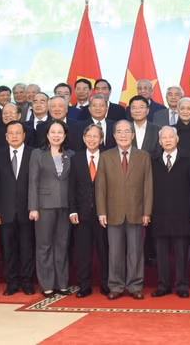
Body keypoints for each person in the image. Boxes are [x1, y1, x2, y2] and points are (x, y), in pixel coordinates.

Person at [96, 120, 154, 300]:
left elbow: (148, 186)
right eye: (119, 132)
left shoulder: (143, 156)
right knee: (115, 252)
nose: (123, 135)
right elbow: (100, 187)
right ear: (113, 136)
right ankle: (116, 286)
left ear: (132, 135)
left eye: (126, 131)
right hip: (112, 212)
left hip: (137, 212)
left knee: (136, 251)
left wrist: (147, 212)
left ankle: (135, 285)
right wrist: (101, 211)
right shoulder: (105, 157)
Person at [28, 119, 75, 297]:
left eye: (60, 132)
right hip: (43, 206)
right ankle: (47, 284)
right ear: (47, 135)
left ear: (64, 135)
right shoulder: (37, 154)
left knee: (62, 245)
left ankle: (62, 284)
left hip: (65, 206)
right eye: (53, 132)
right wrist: (33, 207)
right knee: (44, 246)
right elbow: (33, 182)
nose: (56, 135)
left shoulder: (70, 154)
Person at [0, 120, 35, 295]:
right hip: (5, 211)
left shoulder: (34, 154)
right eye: (11, 133)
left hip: (27, 211)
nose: (15, 136)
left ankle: (27, 282)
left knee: (27, 249)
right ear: (6, 136)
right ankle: (12, 282)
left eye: (18, 132)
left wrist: (35, 207)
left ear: (24, 135)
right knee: (8, 250)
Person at [149, 126, 190, 298]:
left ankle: (182, 285)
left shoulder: (188, 159)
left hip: (182, 214)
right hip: (159, 213)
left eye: (171, 137)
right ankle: (163, 285)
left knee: (182, 253)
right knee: (161, 253)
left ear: (177, 139)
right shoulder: (153, 161)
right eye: (164, 138)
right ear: (160, 141)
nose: (167, 140)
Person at [68, 124, 110, 298]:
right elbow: (71, 187)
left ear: (101, 139)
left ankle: (106, 283)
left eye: (96, 136)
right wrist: (72, 210)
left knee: (105, 251)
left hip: (104, 214)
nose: (92, 139)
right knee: (83, 252)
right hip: (82, 213)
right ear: (84, 138)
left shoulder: (108, 157)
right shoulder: (75, 158)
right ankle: (84, 285)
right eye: (89, 136)